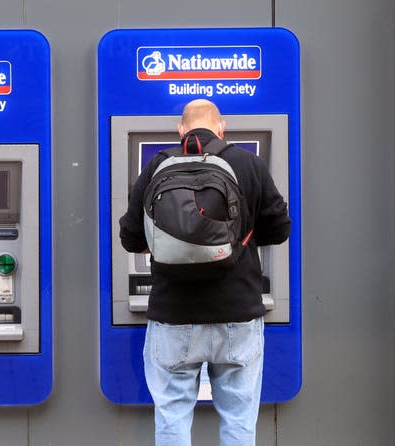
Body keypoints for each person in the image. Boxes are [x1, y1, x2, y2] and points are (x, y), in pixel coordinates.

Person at [119, 99, 291, 446]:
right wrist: (240, 241)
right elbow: (279, 229)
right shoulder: (249, 164)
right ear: (222, 127)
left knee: (172, 419)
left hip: (174, 316)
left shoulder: (157, 165)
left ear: (181, 130)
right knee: (239, 423)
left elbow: (129, 237)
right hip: (237, 314)